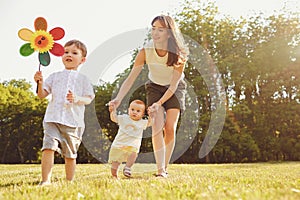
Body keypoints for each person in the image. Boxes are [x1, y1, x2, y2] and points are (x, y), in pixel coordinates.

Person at [109, 15, 189, 177]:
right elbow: (131, 78)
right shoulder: (146, 50)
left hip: (175, 89)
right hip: (154, 87)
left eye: (160, 29)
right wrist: (118, 98)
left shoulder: (179, 55)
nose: (156, 33)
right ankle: (160, 171)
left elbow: (173, 85)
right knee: (157, 126)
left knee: (170, 128)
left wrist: (160, 103)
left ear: (169, 33)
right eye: (153, 28)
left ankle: (164, 167)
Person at [34, 39, 95, 186]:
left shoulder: (83, 79)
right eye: (66, 52)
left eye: (74, 53)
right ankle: (45, 180)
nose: (69, 55)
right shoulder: (54, 76)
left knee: (70, 154)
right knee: (48, 146)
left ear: (82, 59)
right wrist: (40, 83)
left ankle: (69, 181)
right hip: (52, 118)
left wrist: (77, 98)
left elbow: (89, 99)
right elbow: (41, 95)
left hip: (73, 122)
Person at [108, 99, 151, 179]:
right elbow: (114, 118)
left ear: (142, 114)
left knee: (133, 154)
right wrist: (112, 111)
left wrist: (151, 115)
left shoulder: (142, 122)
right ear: (128, 110)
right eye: (132, 109)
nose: (134, 112)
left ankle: (127, 167)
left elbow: (150, 123)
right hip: (119, 144)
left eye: (138, 111)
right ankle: (114, 176)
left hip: (132, 145)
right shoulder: (124, 118)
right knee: (115, 162)